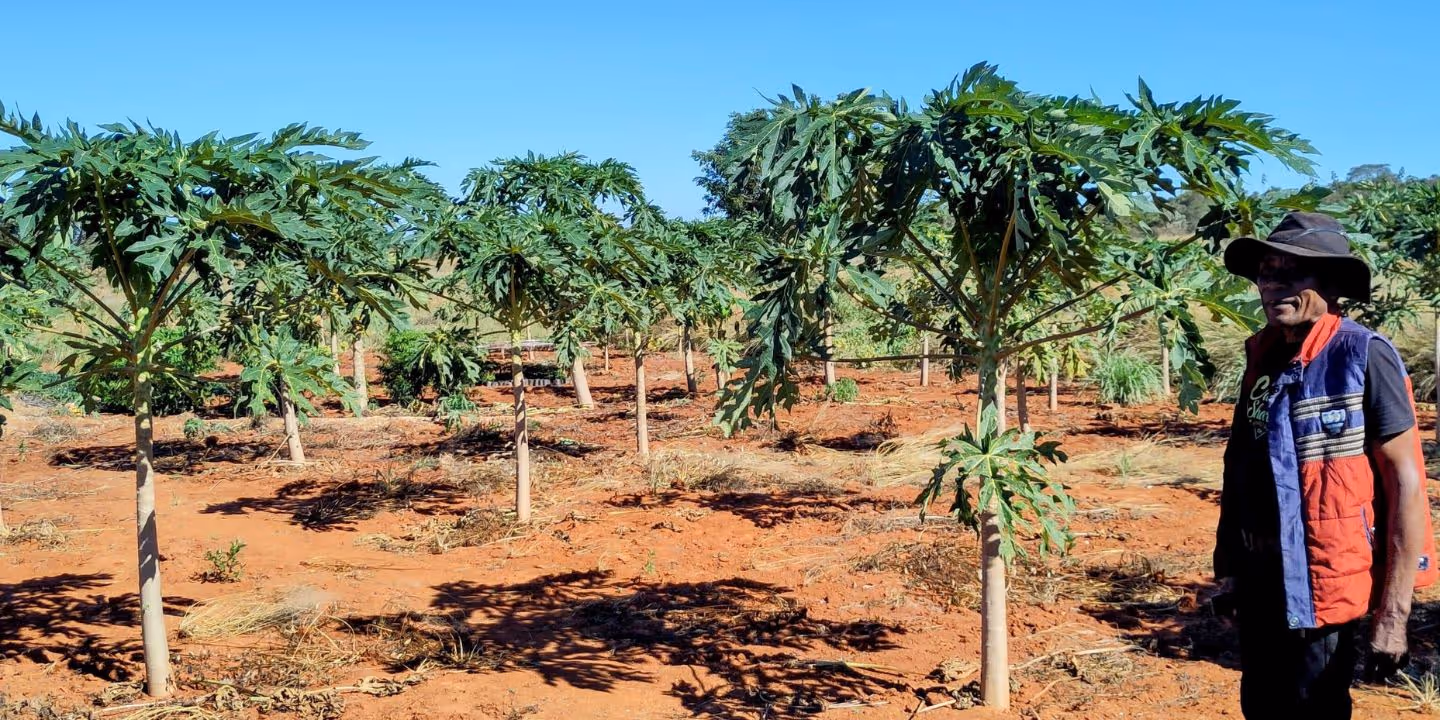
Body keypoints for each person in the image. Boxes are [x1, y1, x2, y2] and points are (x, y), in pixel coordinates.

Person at [1214, 211, 1438, 719]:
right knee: (1262, 704)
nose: (1272, 285)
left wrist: (1393, 614)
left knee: (1314, 705)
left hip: (1323, 577)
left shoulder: (1363, 354)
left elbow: (1406, 482)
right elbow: (1240, 467)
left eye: (1290, 273)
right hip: (1261, 575)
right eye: (1265, 273)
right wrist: (1229, 569)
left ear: (1330, 284)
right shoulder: (1262, 355)